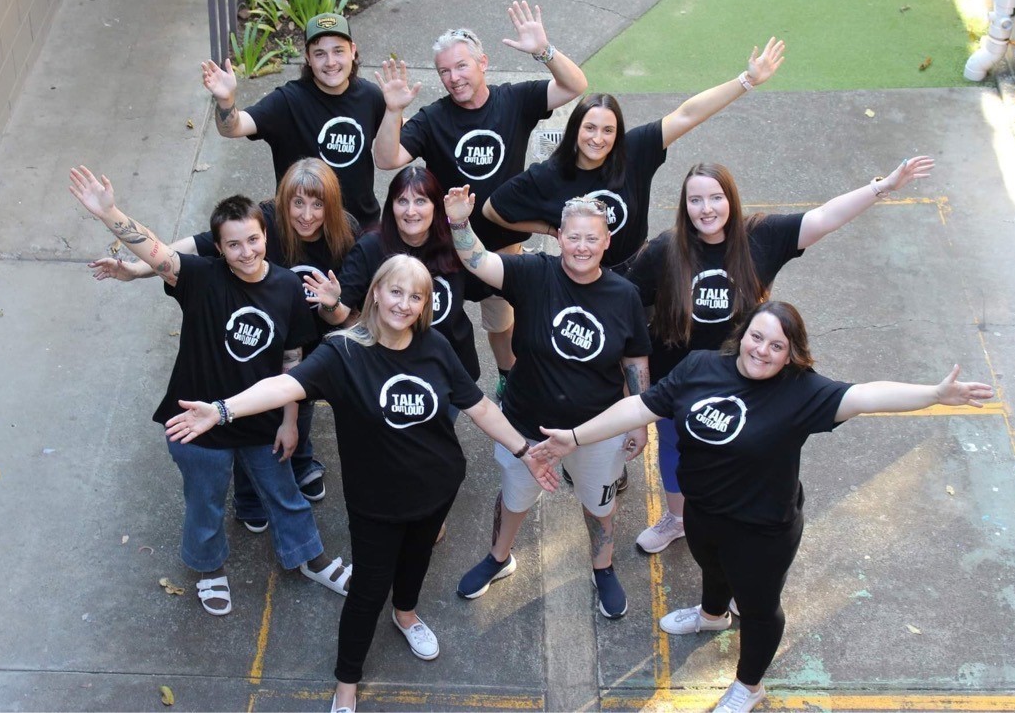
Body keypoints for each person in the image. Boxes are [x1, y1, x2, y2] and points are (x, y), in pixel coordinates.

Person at [528, 300, 993, 713]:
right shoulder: (700, 367)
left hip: (762, 529)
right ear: (743, 334)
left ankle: (748, 687)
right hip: (703, 511)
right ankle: (711, 616)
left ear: (791, 354)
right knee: (711, 567)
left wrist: (933, 395)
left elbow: (867, 396)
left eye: (777, 346)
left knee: (758, 606)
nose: (762, 351)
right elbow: (641, 408)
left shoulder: (802, 393)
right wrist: (573, 438)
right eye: (757, 337)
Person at [164, 255, 558, 713]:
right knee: (368, 592)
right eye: (395, 292)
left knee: (416, 562)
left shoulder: (435, 346)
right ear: (375, 292)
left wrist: (525, 451)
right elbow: (281, 387)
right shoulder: (342, 352)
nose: (404, 304)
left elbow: (480, 407)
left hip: (436, 488)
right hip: (376, 504)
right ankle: (347, 680)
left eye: (416, 297)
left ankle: (406, 615)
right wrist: (223, 409)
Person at [68, 166, 352, 617]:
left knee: (283, 491)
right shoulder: (200, 278)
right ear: (217, 248)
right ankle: (208, 567)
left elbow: (292, 359)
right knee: (204, 499)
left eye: (254, 240)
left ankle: (310, 557)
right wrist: (109, 213)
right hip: (195, 420)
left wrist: (291, 420)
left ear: (266, 236)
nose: (246, 252)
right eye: (233, 245)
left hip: (259, 420)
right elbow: (157, 252)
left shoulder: (285, 288)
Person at [626, 156, 935, 554]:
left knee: (740, 453)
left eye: (716, 197)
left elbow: (825, 218)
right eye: (695, 200)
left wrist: (884, 185)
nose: (706, 209)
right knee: (675, 445)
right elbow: (627, 306)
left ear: (731, 200)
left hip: (745, 377)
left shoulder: (761, 237)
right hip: (678, 378)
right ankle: (678, 519)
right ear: (684, 206)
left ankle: (734, 535)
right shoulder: (666, 250)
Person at [87, 157, 361, 506]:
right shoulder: (262, 225)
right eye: (297, 203)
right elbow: (176, 253)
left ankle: (300, 461)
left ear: (331, 206)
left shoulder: (347, 235)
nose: (306, 215)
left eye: (317, 204)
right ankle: (250, 494)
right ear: (281, 205)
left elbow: (354, 318)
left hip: (314, 337)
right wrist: (136, 269)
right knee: (254, 410)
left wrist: (331, 305)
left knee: (297, 407)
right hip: (259, 343)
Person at [443, 189, 651, 619]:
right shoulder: (533, 273)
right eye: (573, 237)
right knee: (514, 498)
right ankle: (499, 558)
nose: (582, 247)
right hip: (524, 426)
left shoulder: (624, 295)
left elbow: (634, 358)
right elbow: (479, 261)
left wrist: (638, 419)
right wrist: (460, 223)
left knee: (600, 505)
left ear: (607, 241)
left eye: (592, 239)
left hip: (596, 432)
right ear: (558, 237)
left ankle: (603, 567)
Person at [373, 1, 588, 398]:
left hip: (502, 249)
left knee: (502, 323)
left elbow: (576, 86)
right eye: (444, 71)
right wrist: (392, 111)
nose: (453, 78)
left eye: (461, 66)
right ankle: (431, 388)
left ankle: (508, 380)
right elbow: (387, 159)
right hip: (444, 249)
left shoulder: (515, 101)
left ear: (483, 63)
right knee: (435, 322)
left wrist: (544, 51)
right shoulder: (434, 118)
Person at [483, 37, 786, 274]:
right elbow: (494, 209)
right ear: (575, 129)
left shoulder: (635, 150)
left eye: (608, 130)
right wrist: (552, 229)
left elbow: (687, 115)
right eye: (590, 128)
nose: (598, 138)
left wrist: (746, 80)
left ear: (618, 135)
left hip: (638, 268)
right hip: (583, 273)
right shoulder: (549, 174)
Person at [202, 13, 386, 225]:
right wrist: (226, 101)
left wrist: (396, 109)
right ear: (307, 57)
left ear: (352, 51)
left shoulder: (371, 96)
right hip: (303, 227)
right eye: (320, 54)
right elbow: (233, 127)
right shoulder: (288, 101)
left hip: (360, 225)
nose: (331, 62)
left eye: (338, 51)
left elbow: (397, 133)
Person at [307, 166, 484, 386]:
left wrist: (460, 224)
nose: (410, 211)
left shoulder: (455, 242)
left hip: (448, 369)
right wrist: (332, 305)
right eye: (402, 201)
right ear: (391, 206)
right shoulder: (370, 248)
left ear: (436, 206)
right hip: (386, 371)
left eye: (420, 201)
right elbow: (337, 314)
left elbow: (485, 270)